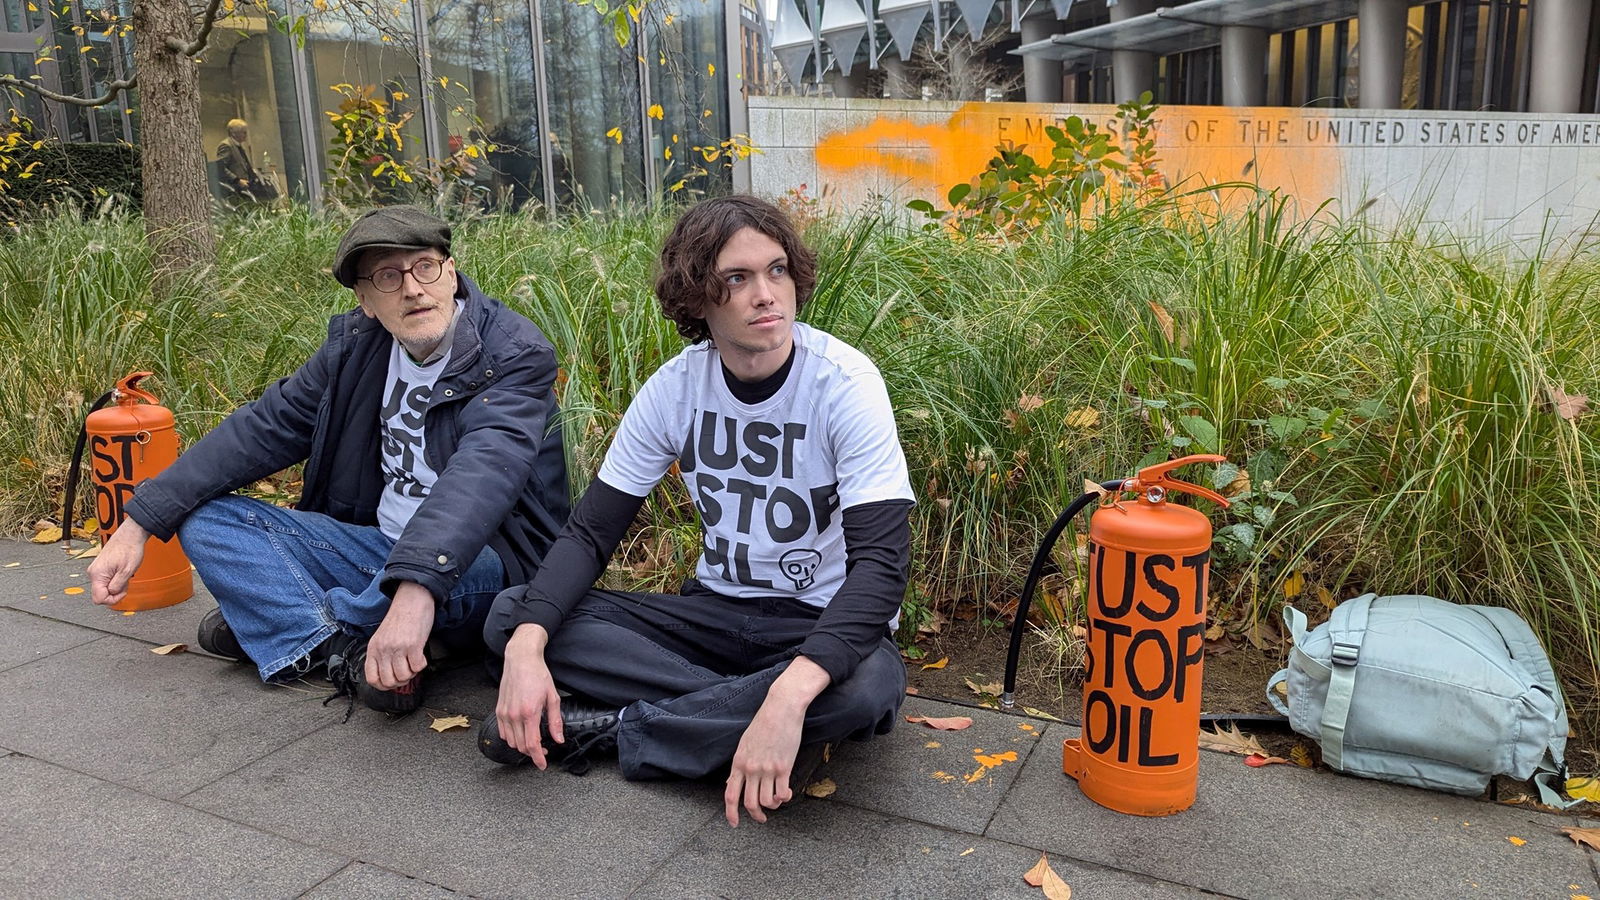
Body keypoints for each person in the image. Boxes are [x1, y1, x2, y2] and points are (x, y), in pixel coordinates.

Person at [479, 195, 914, 827]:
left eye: (776, 270)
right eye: (736, 279)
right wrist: (526, 646)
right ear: (697, 298)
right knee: (511, 618)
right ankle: (737, 717)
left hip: (815, 623)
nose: (766, 294)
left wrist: (793, 690)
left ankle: (613, 730)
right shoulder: (675, 389)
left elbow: (880, 566)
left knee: (868, 684)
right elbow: (591, 533)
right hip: (709, 617)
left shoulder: (845, 385)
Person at [87, 206, 570, 715]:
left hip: (490, 559)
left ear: (450, 272)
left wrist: (414, 588)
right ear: (365, 300)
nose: (412, 288)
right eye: (388, 276)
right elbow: (263, 428)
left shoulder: (513, 354)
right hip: (374, 545)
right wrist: (139, 522)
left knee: (459, 564)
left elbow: (483, 476)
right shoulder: (355, 350)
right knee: (207, 521)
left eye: (425, 266)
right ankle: (344, 646)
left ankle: (296, 624)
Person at [216, 118, 278, 206]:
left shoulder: (238, 146)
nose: (246, 135)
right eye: (243, 132)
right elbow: (221, 168)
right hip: (236, 190)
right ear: (234, 133)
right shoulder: (226, 146)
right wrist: (237, 180)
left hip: (246, 187)